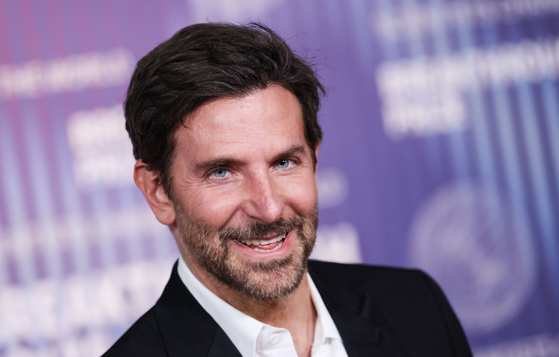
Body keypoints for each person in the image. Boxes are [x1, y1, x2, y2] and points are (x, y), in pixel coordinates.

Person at [103, 22, 472, 357]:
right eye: (221, 172)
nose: (269, 209)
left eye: (284, 163)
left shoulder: (415, 306)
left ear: (314, 159)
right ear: (158, 191)